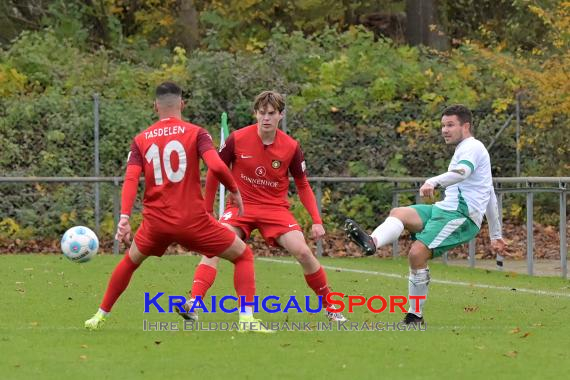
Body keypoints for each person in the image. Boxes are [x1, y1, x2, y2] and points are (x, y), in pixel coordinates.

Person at [84, 82, 272, 333]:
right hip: (192, 222)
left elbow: (131, 179)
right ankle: (247, 320)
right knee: (243, 255)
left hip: (156, 224)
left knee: (130, 261)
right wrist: (235, 190)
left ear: (155, 106)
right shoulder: (196, 133)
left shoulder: (140, 139)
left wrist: (125, 217)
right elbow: (216, 167)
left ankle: (99, 316)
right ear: (182, 104)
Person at [179, 91, 346, 322]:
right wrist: (207, 211)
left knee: (304, 252)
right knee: (214, 246)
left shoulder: (291, 147)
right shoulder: (237, 139)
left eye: (271, 113)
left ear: (281, 115)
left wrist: (317, 221)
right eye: (261, 113)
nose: (266, 118)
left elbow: (303, 184)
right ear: (255, 114)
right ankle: (193, 304)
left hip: (274, 209)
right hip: (240, 207)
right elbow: (215, 172)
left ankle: (331, 306)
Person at [345, 104, 506, 325]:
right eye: (442, 125)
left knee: (417, 254)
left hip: (461, 215)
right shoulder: (467, 149)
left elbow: (463, 172)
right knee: (399, 213)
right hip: (445, 208)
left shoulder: (472, 147)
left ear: (465, 126)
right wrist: (496, 235)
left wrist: (434, 181)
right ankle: (372, 241)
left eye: (450, 125)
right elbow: (489, 193)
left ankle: (415, 316)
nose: (444, 130)